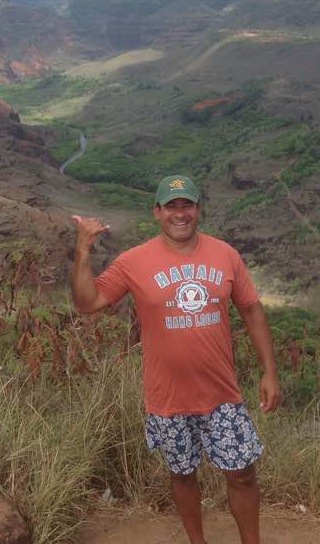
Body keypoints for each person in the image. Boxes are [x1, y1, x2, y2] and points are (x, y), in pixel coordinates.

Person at [70, 174, 281, 544]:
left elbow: (251, 309)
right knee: (182, 474)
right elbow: (88, 303)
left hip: (221, 395)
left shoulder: (225, 254)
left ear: (198, 210)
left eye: (187, 205)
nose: (179, 213)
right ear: (157, 212)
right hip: (166, 398)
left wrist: (269, 372)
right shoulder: (134, 261)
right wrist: (83, 249)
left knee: (243, 473)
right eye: (171, 206)